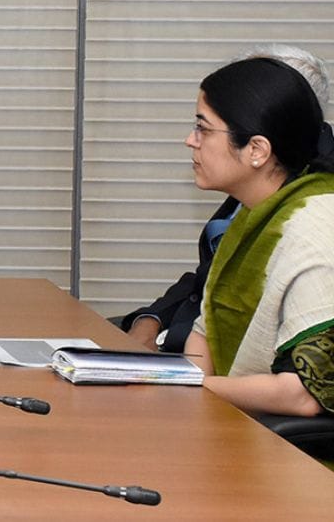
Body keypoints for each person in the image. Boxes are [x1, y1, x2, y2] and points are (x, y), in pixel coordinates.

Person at [121, 45, 333, 352]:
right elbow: (205, 285)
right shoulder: (256, 198)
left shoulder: (311, 219)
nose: (190, 140)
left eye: (203, 129)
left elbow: (301, 379)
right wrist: (150, 319)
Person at [182, 57, 334, 416]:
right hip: (231, 420)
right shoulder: (255, 212)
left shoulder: (314, 228)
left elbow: (303, 394)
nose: (190, 141)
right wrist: (182, 386)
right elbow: (203, 335)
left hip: (289, 446)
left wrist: (190, 388)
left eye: (203, 129)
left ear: (256, 150)